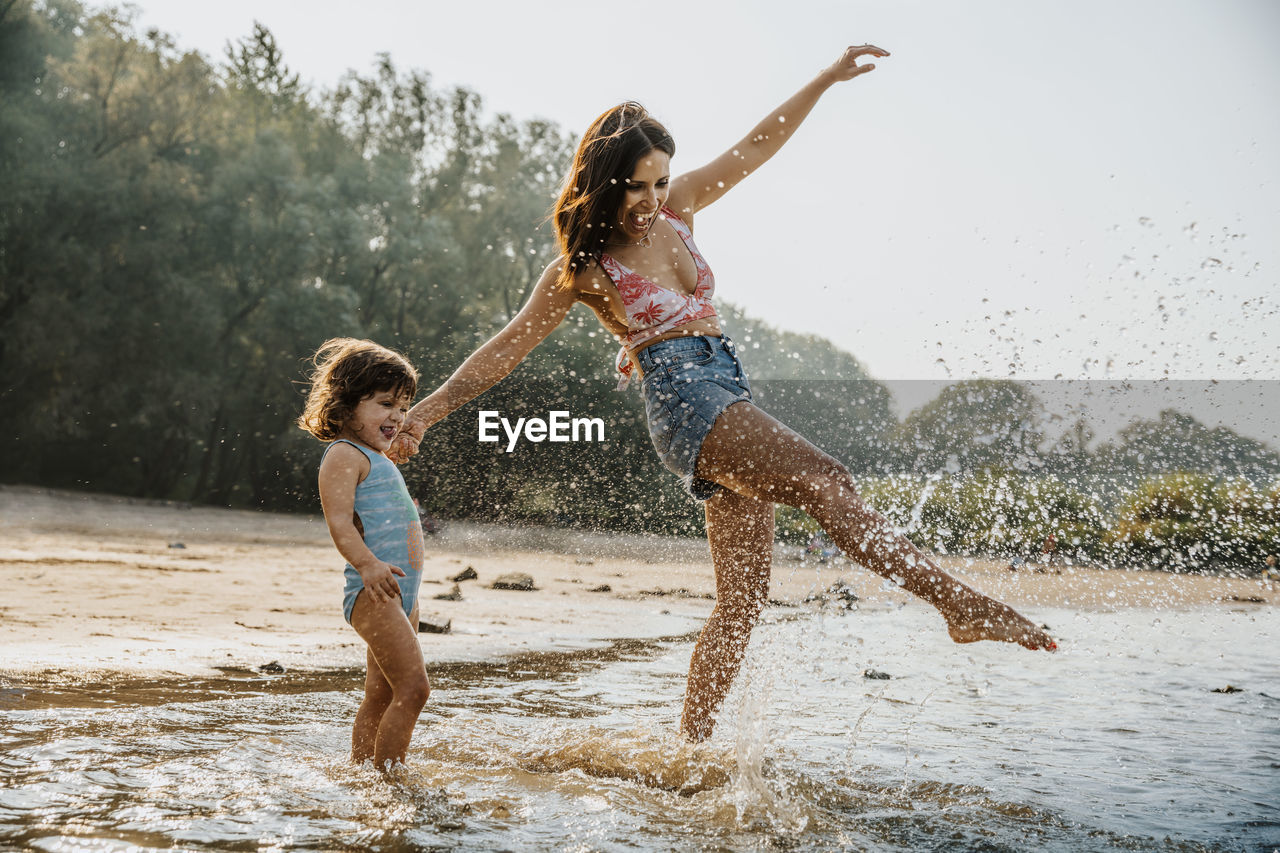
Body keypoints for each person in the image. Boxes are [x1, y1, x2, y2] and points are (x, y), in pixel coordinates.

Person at [390, 45, 1056, 742]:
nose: (651, 202)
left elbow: (756, 147)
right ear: (605, 182)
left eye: (660, 183)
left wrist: (824, 79)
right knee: (829, 480)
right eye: (637, 187)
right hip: (687, 403)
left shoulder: (678, 210)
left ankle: (690, 751)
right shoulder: (583, 268)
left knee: (742, 604)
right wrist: (429, 411)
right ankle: (959, 605)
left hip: (724, 387)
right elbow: (507, 347)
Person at [298, 338, 431, 768]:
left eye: (404, 406)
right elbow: (339, 524)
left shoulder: (374, 454)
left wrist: (399, 444)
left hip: (399, 594)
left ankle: (361, 772)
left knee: (382, 692)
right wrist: (368, 565)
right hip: (372, 590)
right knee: (415, 689)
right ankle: (391, 779)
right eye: (385, 403)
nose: (397, 415)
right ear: (346, 404)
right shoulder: (342, 454)